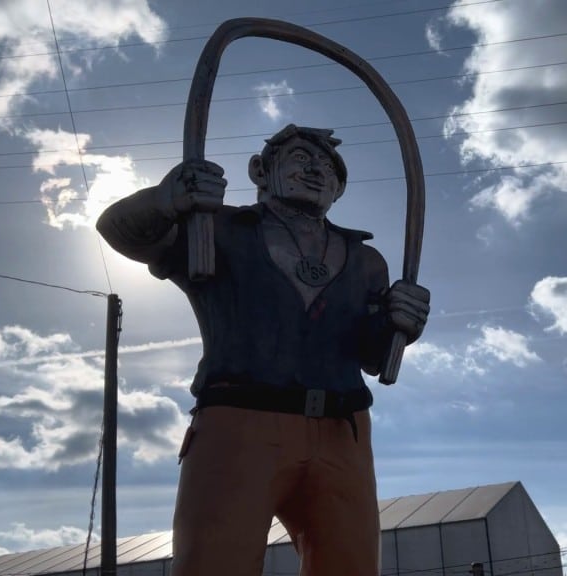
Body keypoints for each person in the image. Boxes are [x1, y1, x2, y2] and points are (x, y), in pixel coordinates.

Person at [96, 124, 430, 576]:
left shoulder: (366, 260)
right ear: (259, 169)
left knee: (350, 566)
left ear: (340, 187)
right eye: (301, 158)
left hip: (342, 431)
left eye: (330, 168)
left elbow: (371, 358)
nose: (317, 171)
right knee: (215, 563)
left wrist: (398, 324)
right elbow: (122, 232)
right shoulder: (214, 228)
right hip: (238, 423)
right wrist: (165, 198)